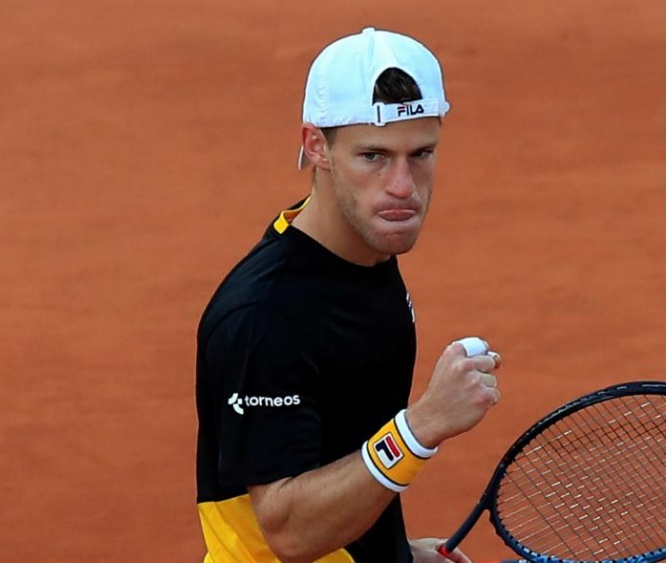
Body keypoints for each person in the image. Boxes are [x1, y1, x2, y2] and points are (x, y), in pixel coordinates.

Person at [195, 26, 502, 563]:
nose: (402, 185)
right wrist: (421, 427)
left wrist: (393, 552)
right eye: (373, 157)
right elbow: (289, 532)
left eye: (421, 153)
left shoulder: (364, 254)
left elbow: (336, 453)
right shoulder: (265, 318)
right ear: (317, 146)